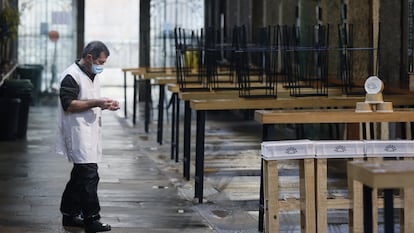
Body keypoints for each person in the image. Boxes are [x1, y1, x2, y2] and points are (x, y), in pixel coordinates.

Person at [56, 41, 119, 233]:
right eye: (101, 61)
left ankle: (69, 214)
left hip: (89, 132)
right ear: (89, 57)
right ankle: (91, 219)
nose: (102, 65)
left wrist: (105, 104)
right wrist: (96, 102)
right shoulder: (71, 76)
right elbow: (69, 104)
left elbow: (90, 99)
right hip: (77, 132)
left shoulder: (91, 73)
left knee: (79, 176)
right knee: (90, 175)